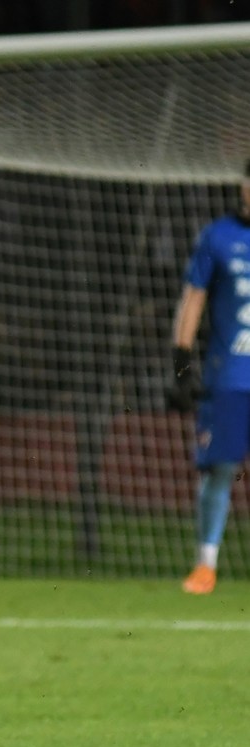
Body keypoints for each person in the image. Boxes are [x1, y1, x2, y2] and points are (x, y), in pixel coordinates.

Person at [167, 159, 250, 595]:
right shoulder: (217, 237)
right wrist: (182, 367)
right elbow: (192, 299)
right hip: (230, 377)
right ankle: (206, 565)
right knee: (220, 470)